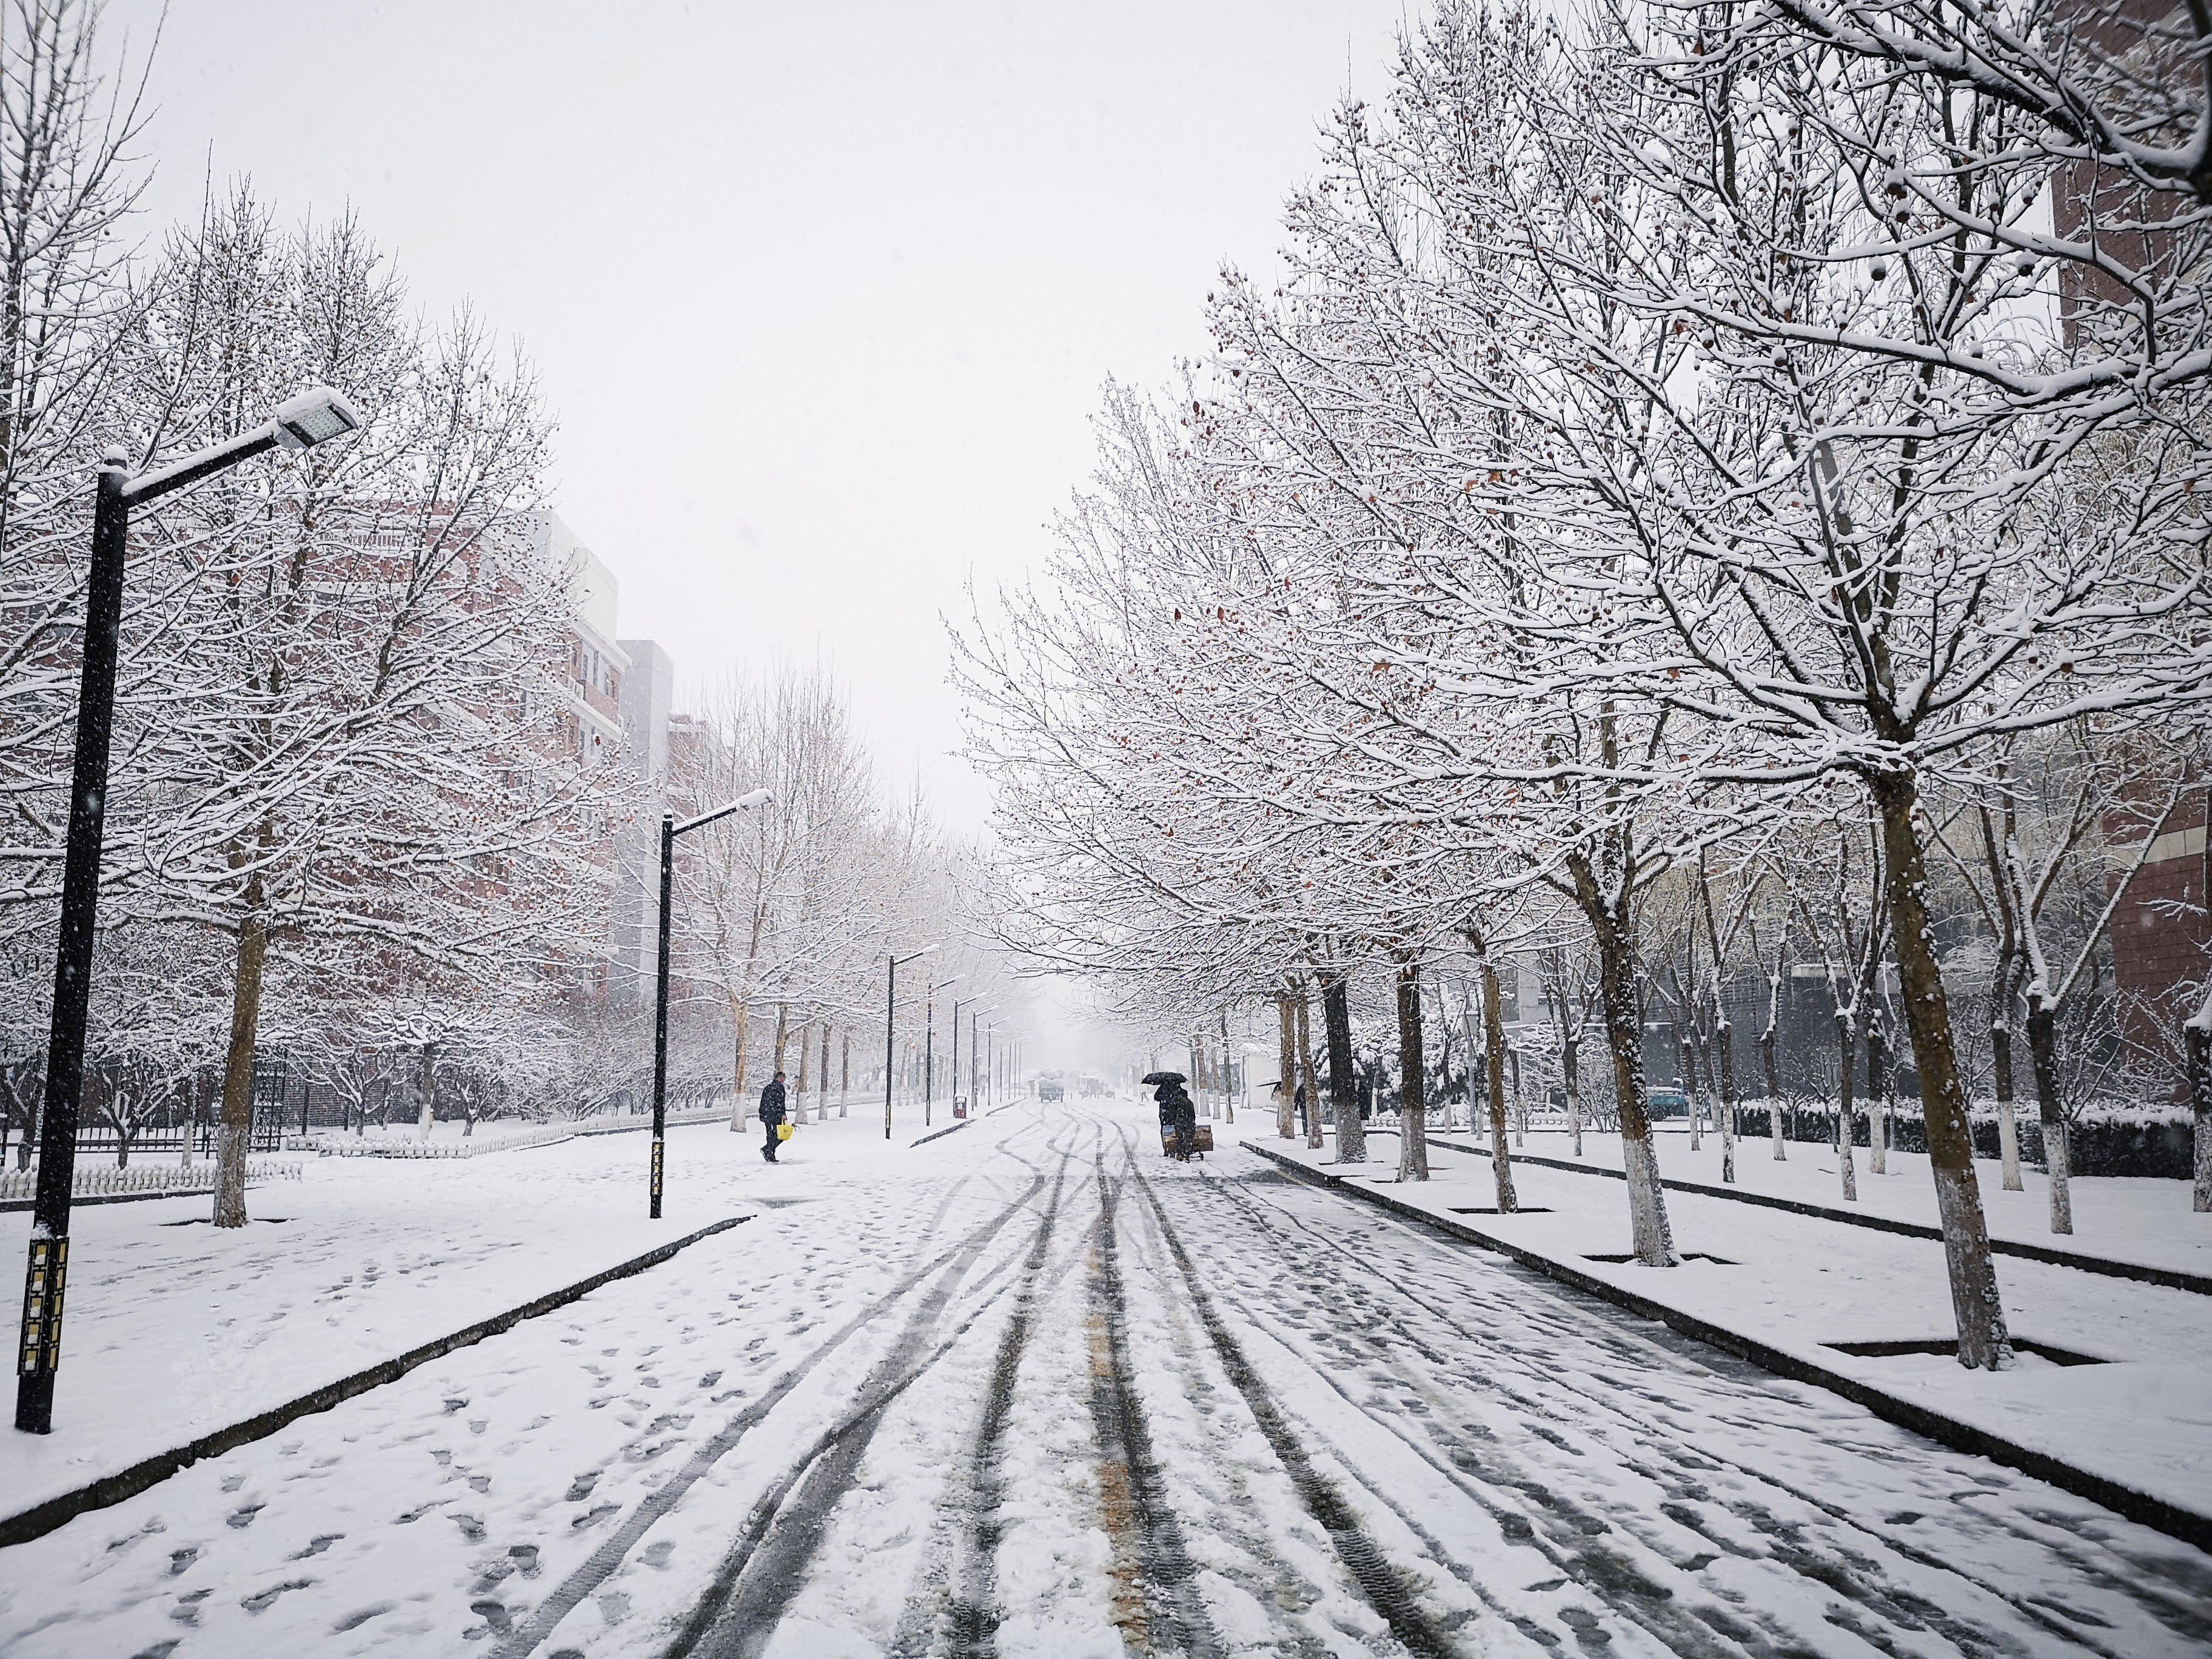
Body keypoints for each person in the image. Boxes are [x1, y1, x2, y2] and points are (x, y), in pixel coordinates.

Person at [759, 1070, 788, 1162]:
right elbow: (780, 1103)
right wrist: (782, 1114)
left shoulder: (769, 1088)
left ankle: (770, 1154)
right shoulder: (779, 1088)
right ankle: (768, 1151)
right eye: (783, 1077)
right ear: (779, 1078)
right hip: (775, 1115)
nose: (784, 1079)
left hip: (769, 1115)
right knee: (778, 1136)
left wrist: (763, 1114)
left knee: (772, 1135)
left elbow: (763, 1102)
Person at [1167, 1084, 1199, 1161]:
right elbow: (1193, 1114)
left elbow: (1172, 1112)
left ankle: (1180, 1153)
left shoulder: (1177, 1101)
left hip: (1180, 1122)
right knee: (1188, 1139)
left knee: (1179, 1138)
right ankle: (1187, 1154)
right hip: (1189, 1123)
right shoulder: (1190, 1102)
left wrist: (1174, 1121)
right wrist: (1192, 1122)